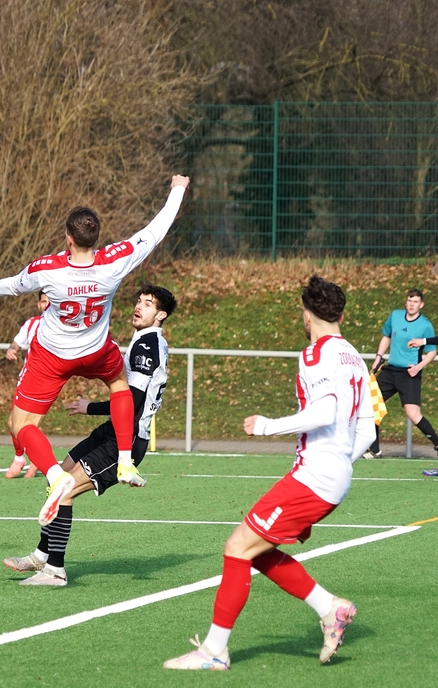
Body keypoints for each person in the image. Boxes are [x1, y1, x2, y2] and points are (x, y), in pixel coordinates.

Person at [163, 275, 374, 671]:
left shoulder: (314, 354)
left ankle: (214, 652)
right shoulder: (355, 358)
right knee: (255, 551)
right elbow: (368, 430)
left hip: (316, 476)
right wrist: (342, 463)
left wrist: (267, 426)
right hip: (334, 476)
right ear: (341, 315)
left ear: (307, 315)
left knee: (237, 547)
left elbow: (325, 412)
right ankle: (329, 608)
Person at [0, 175, 189, 526]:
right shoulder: (114, 261)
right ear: (96, 237)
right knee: (120, 385)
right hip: (96, 351)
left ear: (68, 238)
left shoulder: (48, 269)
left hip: (54, 356)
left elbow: (12, 286)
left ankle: (55, 475)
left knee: (21, 424)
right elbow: (155, 231)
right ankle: (125, 460)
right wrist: (177, 189)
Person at [4, 284, 175, 586]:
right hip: (112, 430)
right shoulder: (144, 340)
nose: (139, 307)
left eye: (148, 304)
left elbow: (133, 400)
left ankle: (55, 570)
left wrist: (90, 407)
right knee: (57, 477)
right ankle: (42, 554)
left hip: (126, 440)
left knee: (65, 490)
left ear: (161, 315)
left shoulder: (148, 345)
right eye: (139, 301)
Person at [369, 289, 438, 457]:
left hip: (409, 373)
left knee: (413, 414)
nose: (412, 304)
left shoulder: (425, 325)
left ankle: (437, 443)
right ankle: (374, 449)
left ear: (421, 305)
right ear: (406, 302)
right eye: (409, 301)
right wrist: (378, 357)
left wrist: (418, 367)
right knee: (370, 405)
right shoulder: (395, 316)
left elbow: (432, 351)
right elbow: (386, 337)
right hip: (390, 371)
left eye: (415, 302)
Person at [4, 291, 50, 478]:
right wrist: (11, 349)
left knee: (26, 423)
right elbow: (16, 343)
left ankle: (27, 459)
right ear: (38, 304)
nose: (46, 305)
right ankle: (24, 458)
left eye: (50, 301)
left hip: (47, 382)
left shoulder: (61, 328)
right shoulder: (31, 324)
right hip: (27, 380)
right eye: (43, 301)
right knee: (16, 423)